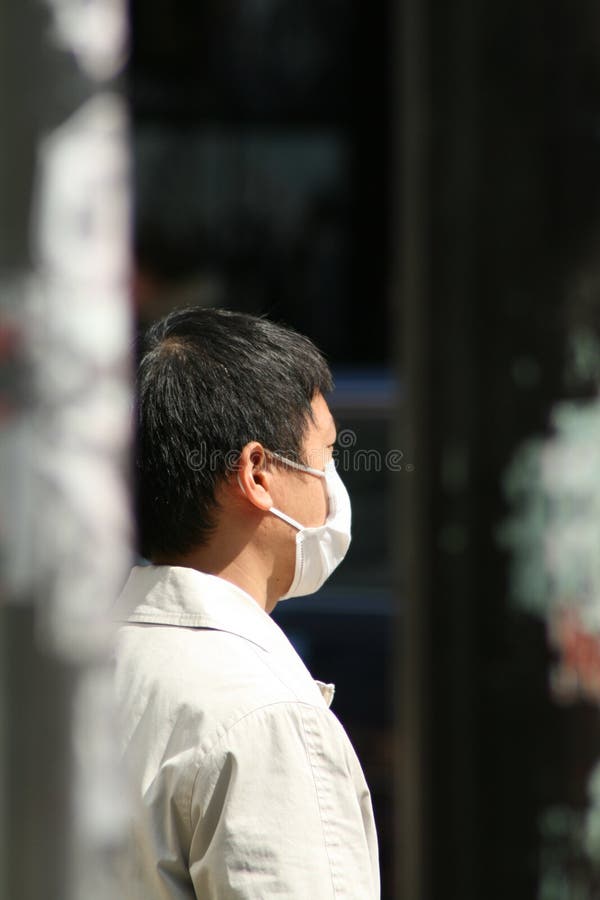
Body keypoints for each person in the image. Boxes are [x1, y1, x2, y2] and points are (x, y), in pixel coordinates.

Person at [113, 307, 380, 898]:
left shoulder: (77, 669)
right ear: (258, 473)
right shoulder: (268, 718)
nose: (333, 482)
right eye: (327, 455)